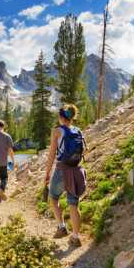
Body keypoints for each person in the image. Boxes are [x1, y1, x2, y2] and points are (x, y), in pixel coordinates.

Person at [44, 104, 86, 247]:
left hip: (62, 169)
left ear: (61, 117)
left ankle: (62, 227)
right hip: (76, 170)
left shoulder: (57, 131)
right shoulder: (78, 131)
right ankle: (75, 237)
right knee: (73, 204)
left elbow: (51, 154)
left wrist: (47, 173)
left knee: (53, 197)